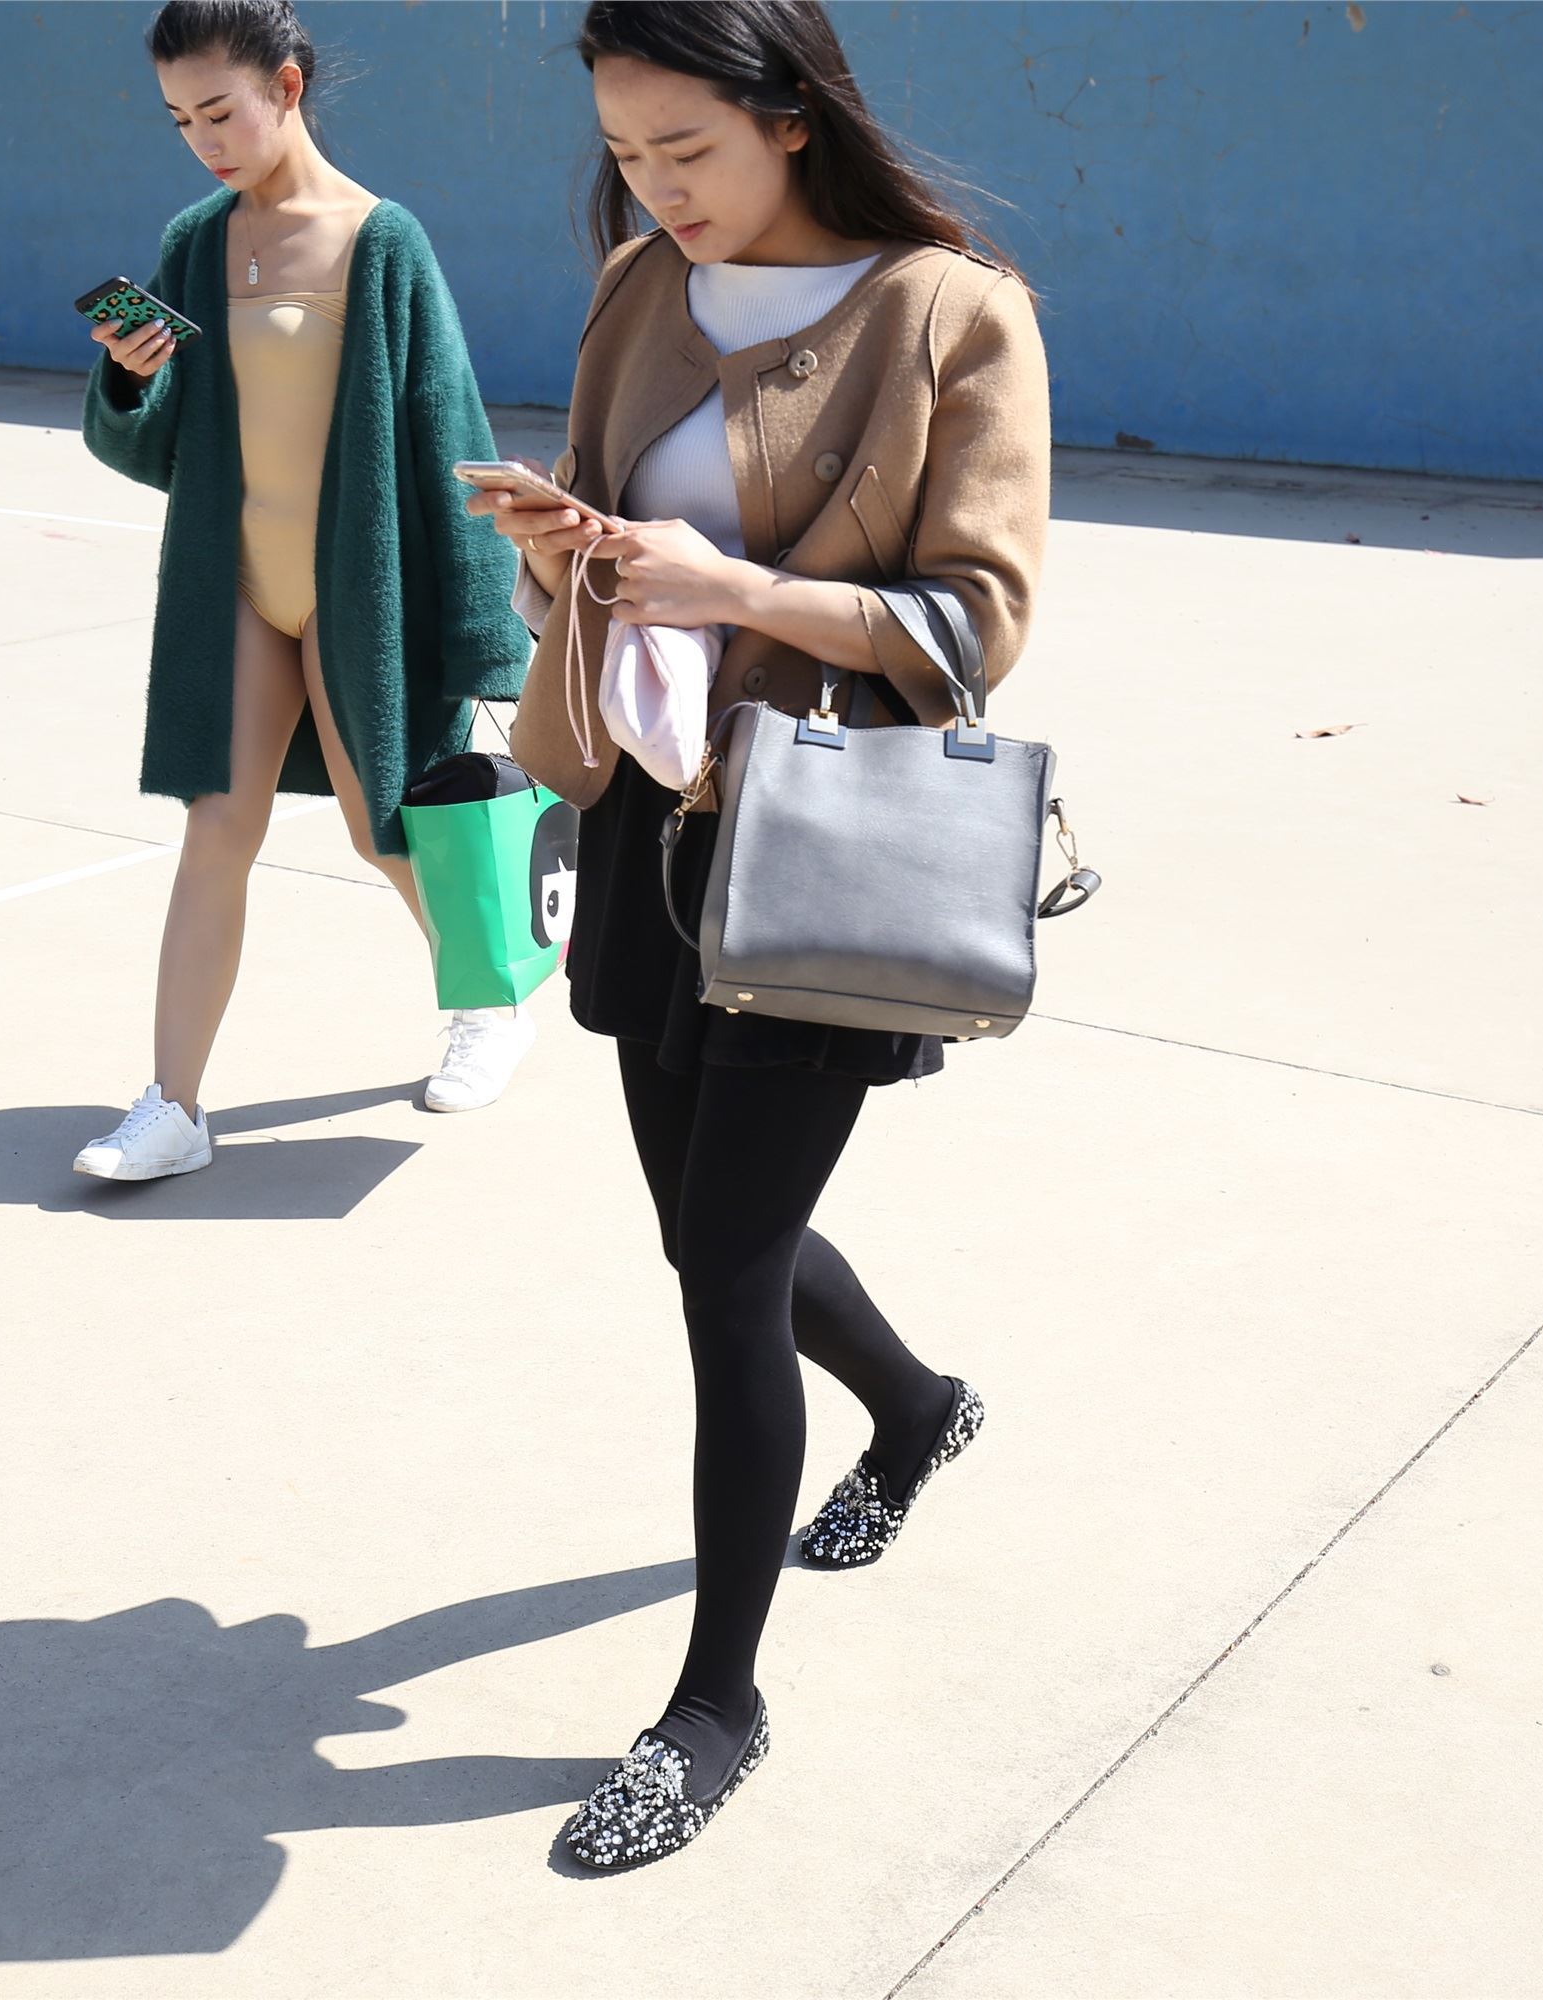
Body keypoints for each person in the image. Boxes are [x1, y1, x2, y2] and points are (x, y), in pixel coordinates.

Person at [478, 0, 1051, 1868]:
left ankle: (715, 1706)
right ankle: (917, 1407)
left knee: (726, 1262)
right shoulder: (645, 288)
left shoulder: (951, 313)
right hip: (655, 817)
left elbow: (976, 622)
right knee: (706, 1232)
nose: (654, 192)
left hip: (831, 838)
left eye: (686, 152)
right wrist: (562, 547)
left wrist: (746, 591)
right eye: (626, 156)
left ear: (792, 116)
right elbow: (612, 553)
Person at [77, 0, 535, 1182]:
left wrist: (488, 633)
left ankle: (491, 1003)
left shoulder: (384, 241)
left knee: (385, 826)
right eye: (180, 119)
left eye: (220, 110)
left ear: (287, 86)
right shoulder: (195, 240)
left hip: (355, 585)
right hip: (234, 579)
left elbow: (448, 429)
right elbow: (159, 446)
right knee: (215, 829)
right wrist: (129, 382)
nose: (203, 139)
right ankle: (173, 1106)